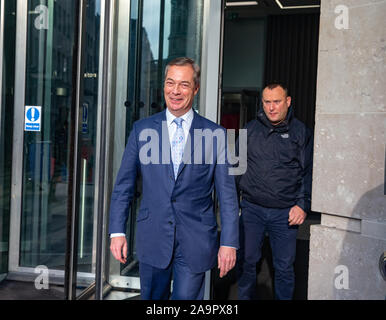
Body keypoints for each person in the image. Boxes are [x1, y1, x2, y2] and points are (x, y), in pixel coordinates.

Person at [109, 57, 239, 300]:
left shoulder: (217, 135)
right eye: (170, 83)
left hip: (196, 240)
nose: (175, 91)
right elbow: (123, 186)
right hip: (153, 236)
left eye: (184, 84)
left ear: (196, 89)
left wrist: (229, 242)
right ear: (164, 86)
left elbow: (228, 196)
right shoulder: (141, 129)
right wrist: (117, 231)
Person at [236, 82, 313, 300]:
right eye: (267, 102)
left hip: (285, 213)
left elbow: (308, 171)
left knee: (284, 267)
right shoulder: (249, 130)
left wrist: (302, 204)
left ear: (287, 102)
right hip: (252, 210)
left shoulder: (301, 132)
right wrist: (234, 204)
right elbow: (235, 169)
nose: (271, 107)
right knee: (247, 262)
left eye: (277, 102)